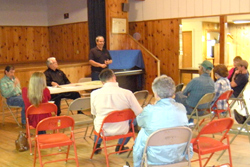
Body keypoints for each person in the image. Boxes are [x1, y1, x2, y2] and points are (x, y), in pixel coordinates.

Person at [133, 75, 192, 167]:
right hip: (179, 155)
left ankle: (137, 164)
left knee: (143, 132)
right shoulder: (181, 108)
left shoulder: (150, 111)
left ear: (156, 94)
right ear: (173, 93)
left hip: (155, 158)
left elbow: (140, 122)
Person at [91, 69, 142, 154]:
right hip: (122, 128)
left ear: (102, 82)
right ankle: (120, 146)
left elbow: (94, 112)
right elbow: (139, 112)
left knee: (99, 119)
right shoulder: (127, 93)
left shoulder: (94, 94)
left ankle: (96, 146)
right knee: (134, 121)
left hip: (103, 129)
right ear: (114, 77)